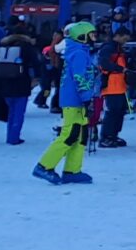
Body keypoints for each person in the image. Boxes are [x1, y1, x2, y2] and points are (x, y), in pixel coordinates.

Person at [35, 22, 100, 185]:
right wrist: (87, 99)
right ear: (82, 36)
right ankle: (44, 166)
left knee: (81, 135)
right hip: (75, 100)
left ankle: (72, 170)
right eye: (91, 35)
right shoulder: (78, 53)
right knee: (70, 133)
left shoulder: (80, 52)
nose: (94, 38)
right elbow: (80, 78)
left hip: (78, 99)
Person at [0, 23, 41, 145]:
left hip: (5, 80)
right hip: (21, 80)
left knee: (11, 110)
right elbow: (36, 63)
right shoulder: (26, 46)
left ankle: (10, 134)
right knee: (18, 111)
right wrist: (37, 77)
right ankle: (14, 137)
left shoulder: (3, 44)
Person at [94, 28, 133, 148]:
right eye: (124, 39)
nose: (126, 42)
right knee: (112, 112)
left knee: (119, 111)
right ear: (118, 36)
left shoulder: (117, 48)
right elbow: (104, 64)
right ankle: (106, 137)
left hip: (119, 85)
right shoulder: (109, 48)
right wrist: (121, 69)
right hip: (111, 85)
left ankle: (113, 135)